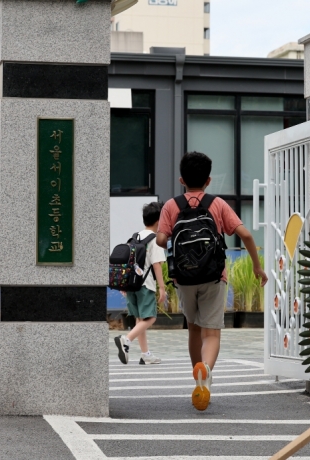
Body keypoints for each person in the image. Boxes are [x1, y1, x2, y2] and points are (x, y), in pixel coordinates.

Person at [156, 151, 268, 411]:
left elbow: (161, 240)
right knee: (212, 332)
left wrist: (174, 234)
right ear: (208, 180)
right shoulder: (216, 204)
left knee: (194, 329)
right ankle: (205, 372)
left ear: (181, 179)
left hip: (183, 278)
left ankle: (198, 377)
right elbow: (246, 235)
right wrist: (257, 266)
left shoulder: (171, 206)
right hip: (214, 276)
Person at [114, 202, 167, 365]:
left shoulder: (135, 237)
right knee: (150, 318)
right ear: (159, 221)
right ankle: (126, 340)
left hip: (131, 285)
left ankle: (145, 354)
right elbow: (157, 265)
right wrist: (162, 289)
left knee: (140, 319)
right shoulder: (155, 240)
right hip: (145, 286)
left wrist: (123, 285)